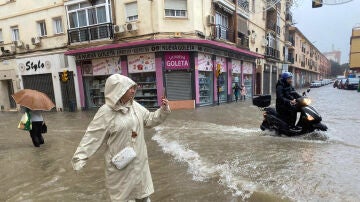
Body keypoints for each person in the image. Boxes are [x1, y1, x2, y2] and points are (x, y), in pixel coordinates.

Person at [71, 74, 171, 202]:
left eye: (133, 88)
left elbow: (149, 120)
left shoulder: (135, 106)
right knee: (123, 197)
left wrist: (163, 110)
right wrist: (80, 157)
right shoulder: (106, 112)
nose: (133, 90)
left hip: (139, 163)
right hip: (120, 166)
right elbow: (92, 136)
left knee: (143, 195)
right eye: (129, 88)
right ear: (119, 90)